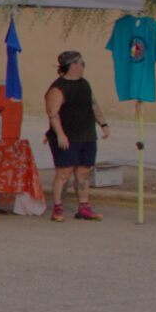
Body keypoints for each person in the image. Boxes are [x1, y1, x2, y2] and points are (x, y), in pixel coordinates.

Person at [44, 50, 108, 222]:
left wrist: (103, 124)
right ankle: (57, 208)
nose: (83, 66)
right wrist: (60, 135)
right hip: (67, 137)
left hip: (86, 135)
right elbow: (53, 114)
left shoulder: (84, 84)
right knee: (64, 173)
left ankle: (84, 207)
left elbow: (94, 106)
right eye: (81, 63)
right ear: (73, 66)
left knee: (84, 172)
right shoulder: (57, 88)